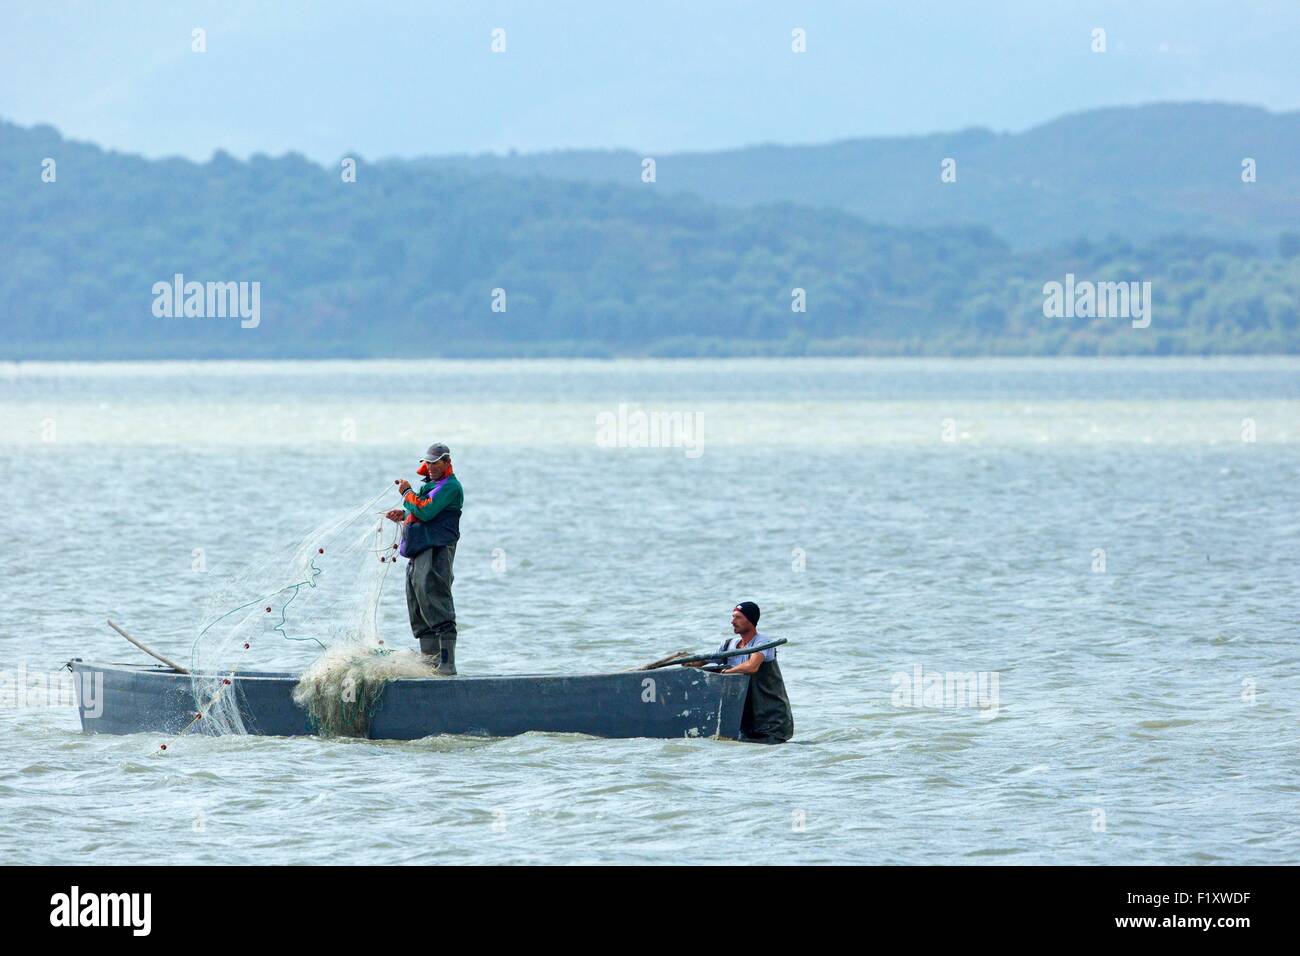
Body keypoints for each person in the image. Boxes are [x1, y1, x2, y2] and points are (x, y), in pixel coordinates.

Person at [386, 443, 463, 675]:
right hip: (419, 552)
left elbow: (427, 510)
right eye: (427, 462)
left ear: (446, 463)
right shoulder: (432, 485)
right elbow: (422, 512)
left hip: (436, 552)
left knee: (435, 599)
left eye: (435, 462)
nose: (430, 467)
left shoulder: (450, 487)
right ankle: (429, 666)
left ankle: (447, 665)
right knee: (418, 604)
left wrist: (407, 493)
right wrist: (405, 514)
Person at [685, 602, 794, 743]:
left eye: (738, 617)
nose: (732, 621)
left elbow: (751, 666)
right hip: (743, 724)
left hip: (771, 724)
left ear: (750, 620)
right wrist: (690, 662)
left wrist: (726, 672)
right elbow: (705, 660)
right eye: (732, 617)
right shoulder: (728, 645)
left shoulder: (762, 642)